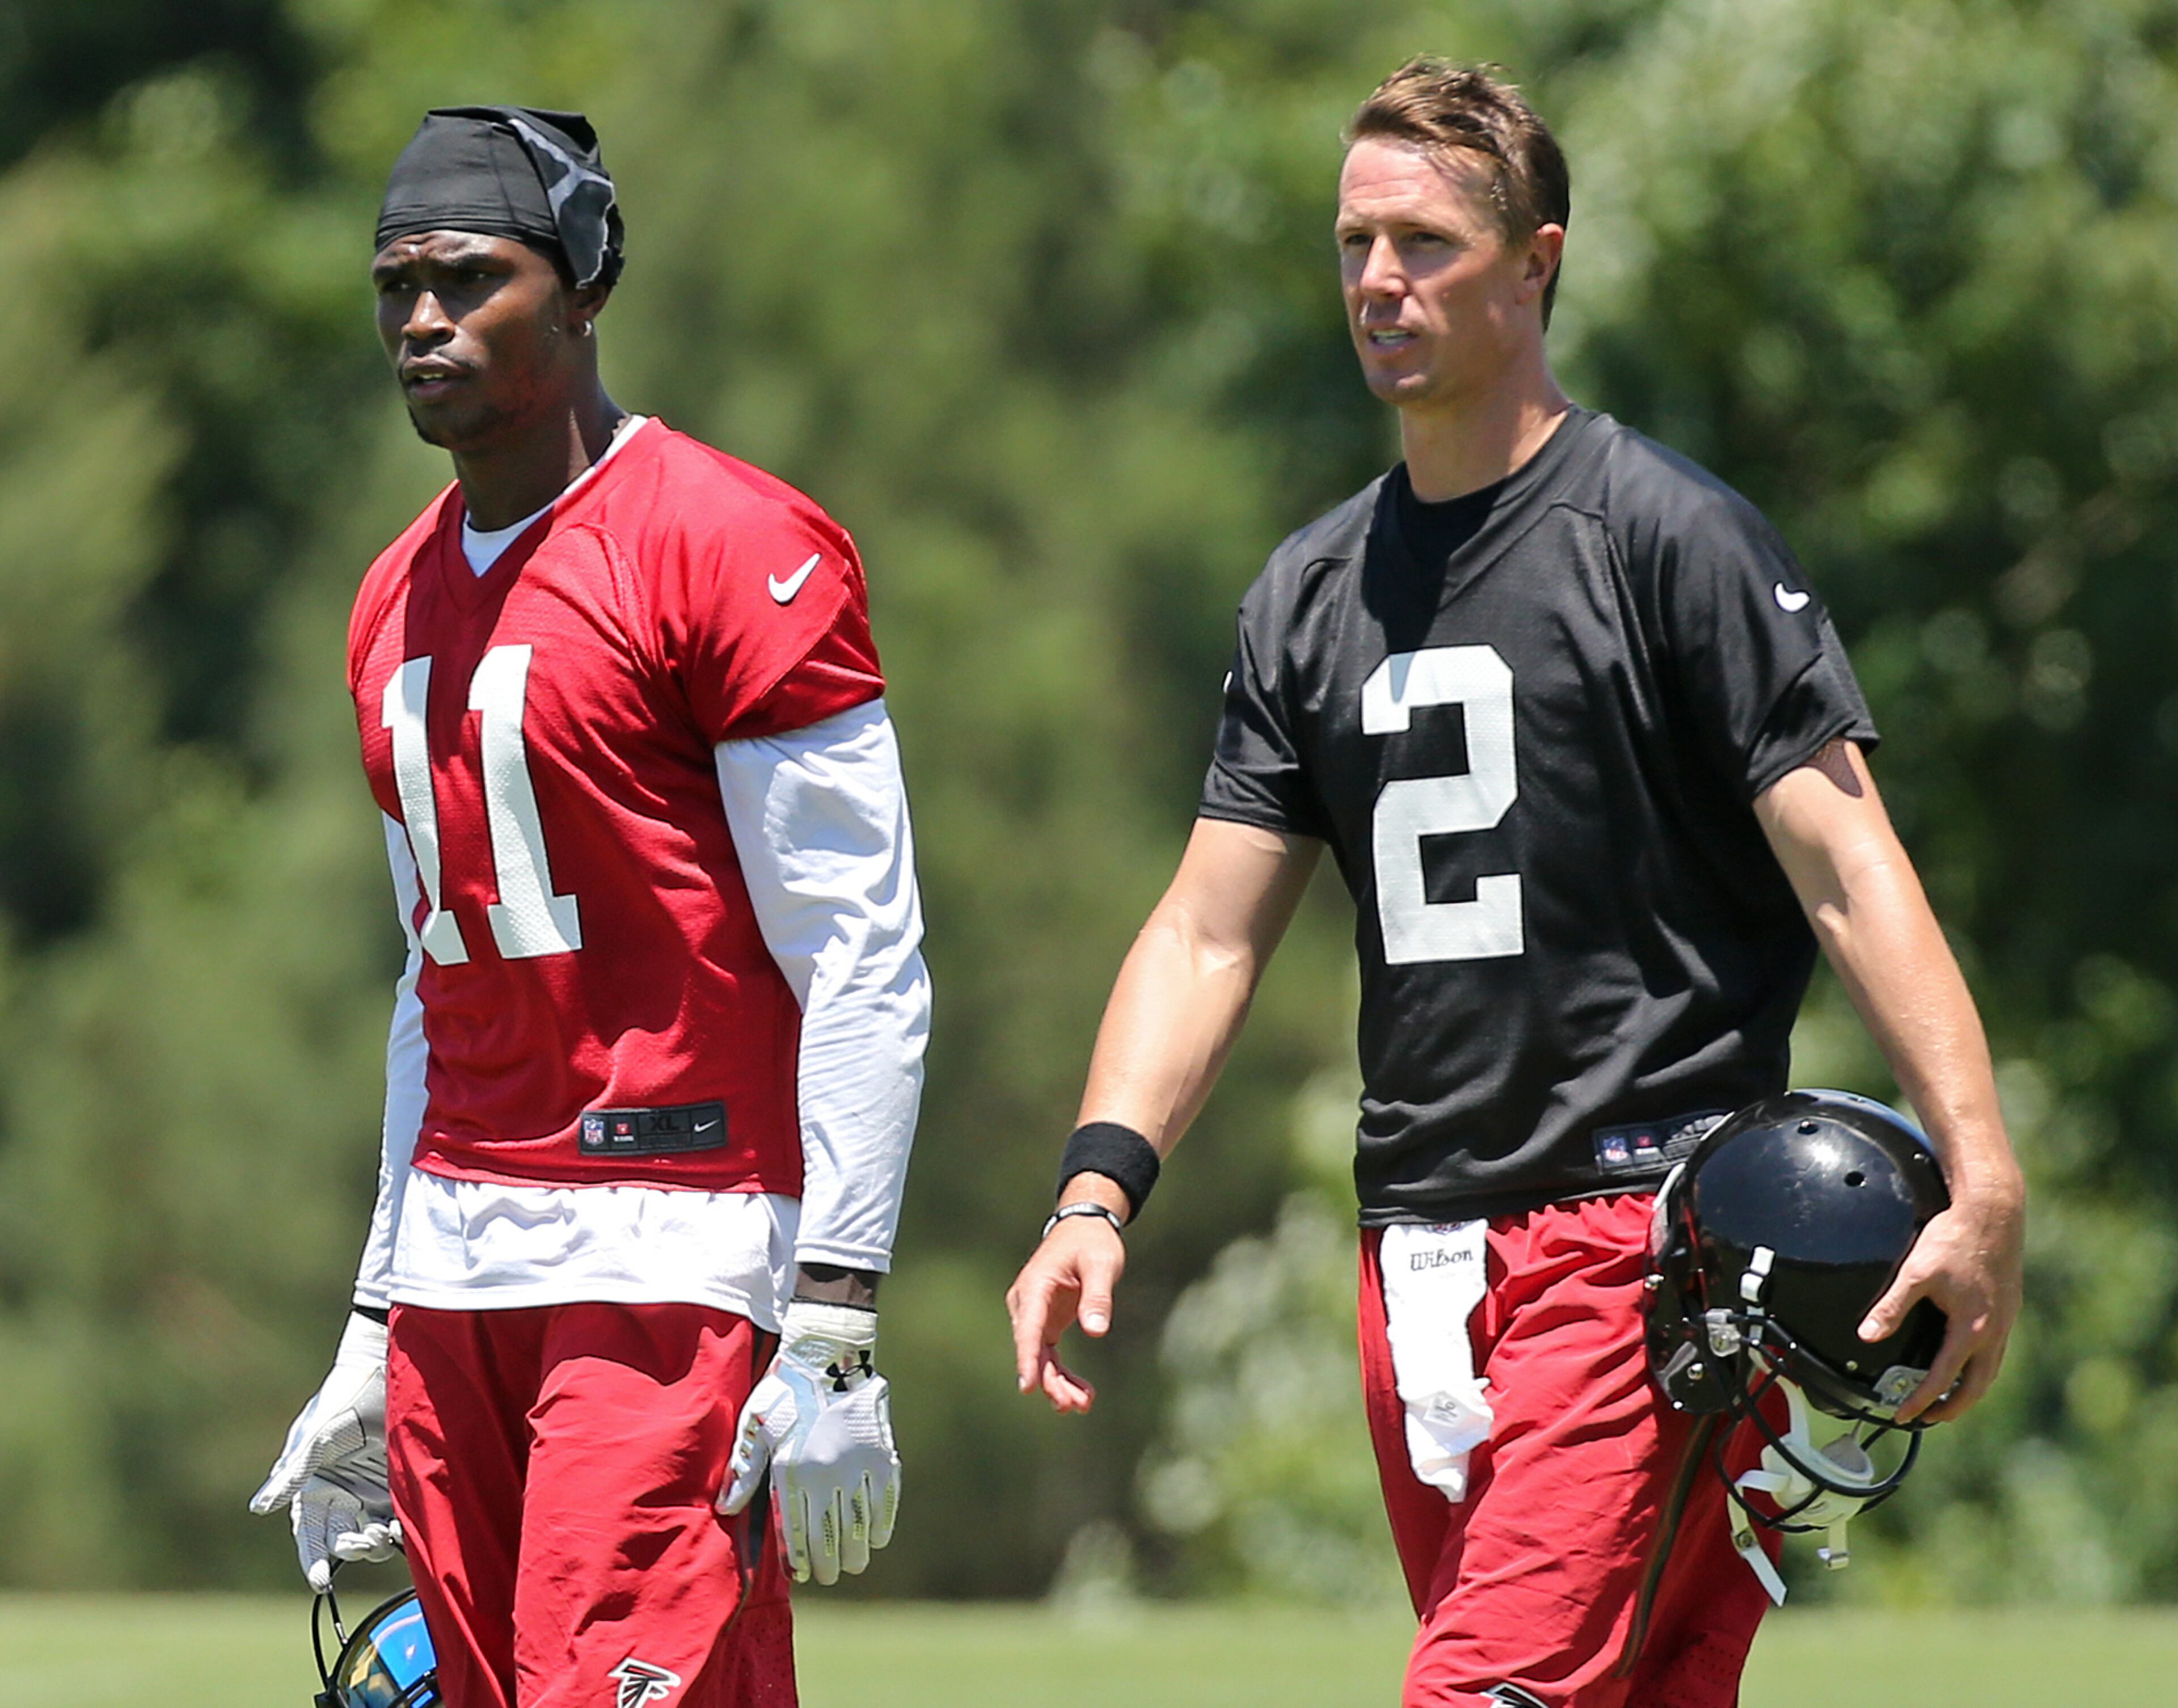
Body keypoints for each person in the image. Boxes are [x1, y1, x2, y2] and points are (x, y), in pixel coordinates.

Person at [1005, 60, 2024, 1708]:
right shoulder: (1308, 592)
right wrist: (1094, 1192)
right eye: (1352, 243)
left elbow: (1850, 864)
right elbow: (1205, 931)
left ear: (1536, 260)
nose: (1377, 283)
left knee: (1488, 1691)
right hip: (1411, 1253)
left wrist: (1982, 1175)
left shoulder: (1666, 537)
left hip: (1641, 1245)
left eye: (1424, 243)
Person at [250, 106, 929, 1708]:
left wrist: (834, 1308)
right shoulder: (389, 596)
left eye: (471, 276)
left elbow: (862, 946)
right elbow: (441, 986)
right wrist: (373, 1312)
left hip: (673, 1255)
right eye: (396, 285)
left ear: (583, 285)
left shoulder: (728, 539)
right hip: (460, 1269)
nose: (424, 318)